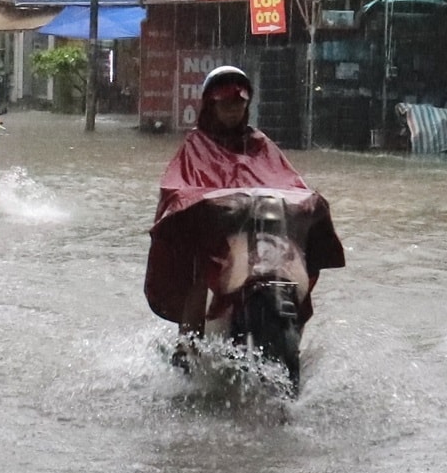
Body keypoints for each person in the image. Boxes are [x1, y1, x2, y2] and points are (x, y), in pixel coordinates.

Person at [145, 65, 344, 353]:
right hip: (215, 237)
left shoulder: (260, 144)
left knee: (291, 265)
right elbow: (176, 188)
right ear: (211, 105)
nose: (232, 110)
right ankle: (188, 345)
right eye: (225, 104)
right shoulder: (195, 145)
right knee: (198, 272)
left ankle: (292, 337)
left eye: (238, 103)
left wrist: (308, 200)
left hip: (262, 233)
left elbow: (291, 183)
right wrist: (199, 203)